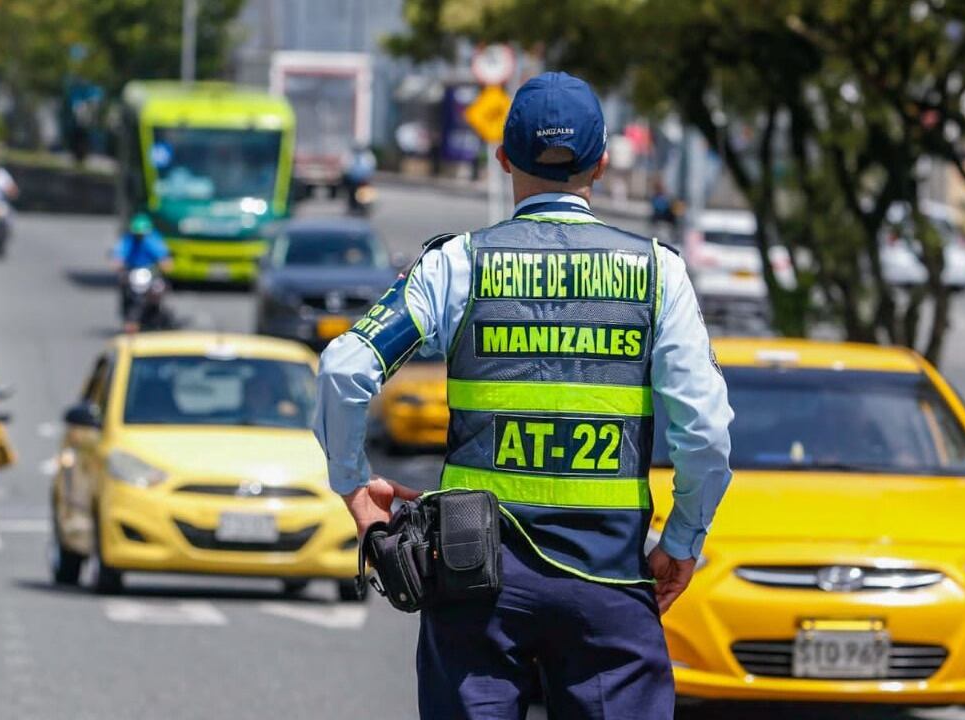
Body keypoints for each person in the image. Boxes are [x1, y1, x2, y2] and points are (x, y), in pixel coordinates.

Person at [314, 72, 733, 719]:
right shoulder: (658, 272)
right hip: (609, 580)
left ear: (504, 157)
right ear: (600, 163)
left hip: (473, 578)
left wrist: (354, 486)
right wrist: (682, 541)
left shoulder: (456, 264)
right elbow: (704, 432)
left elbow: (344, 370)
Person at [111, 213, 173, 331]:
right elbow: (119, 253)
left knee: (158, 288)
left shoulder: (153, 239)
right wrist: (117, 262)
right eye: (137, 234)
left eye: (142, 234)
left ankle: (157, 314)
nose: (140, 237)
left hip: (150, 272)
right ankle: (129, 317)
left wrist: (165, 263)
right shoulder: (129, 239)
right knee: (125, 286)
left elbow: (163, 254)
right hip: (133, 272)